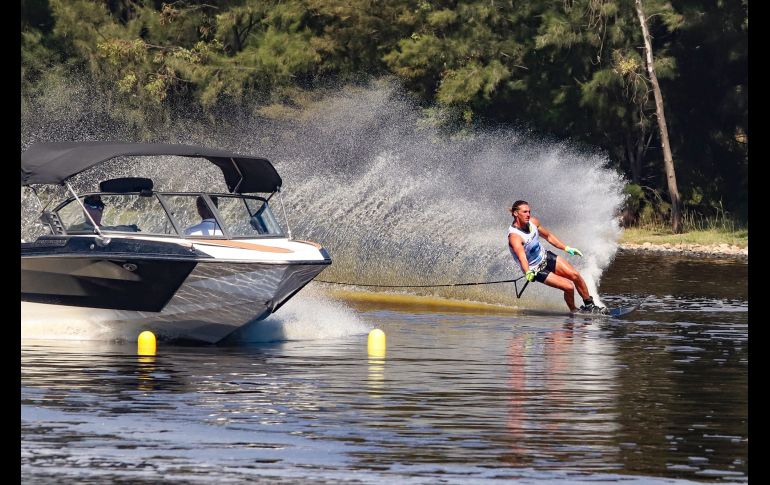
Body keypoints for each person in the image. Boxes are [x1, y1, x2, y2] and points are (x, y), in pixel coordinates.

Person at [507, 200, 607, 314]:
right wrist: (527, 272)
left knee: (575, 275)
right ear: (516, 213)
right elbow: (522, 257)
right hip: (535, 269)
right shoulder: (514, 237)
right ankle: (574, 311)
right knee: (568, 287)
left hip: (545, 257)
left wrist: (567, 248)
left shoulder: (533, 222)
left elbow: (549, 236)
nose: (528, 214)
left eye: (529, 211)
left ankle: (590, 306)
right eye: (525, 212)